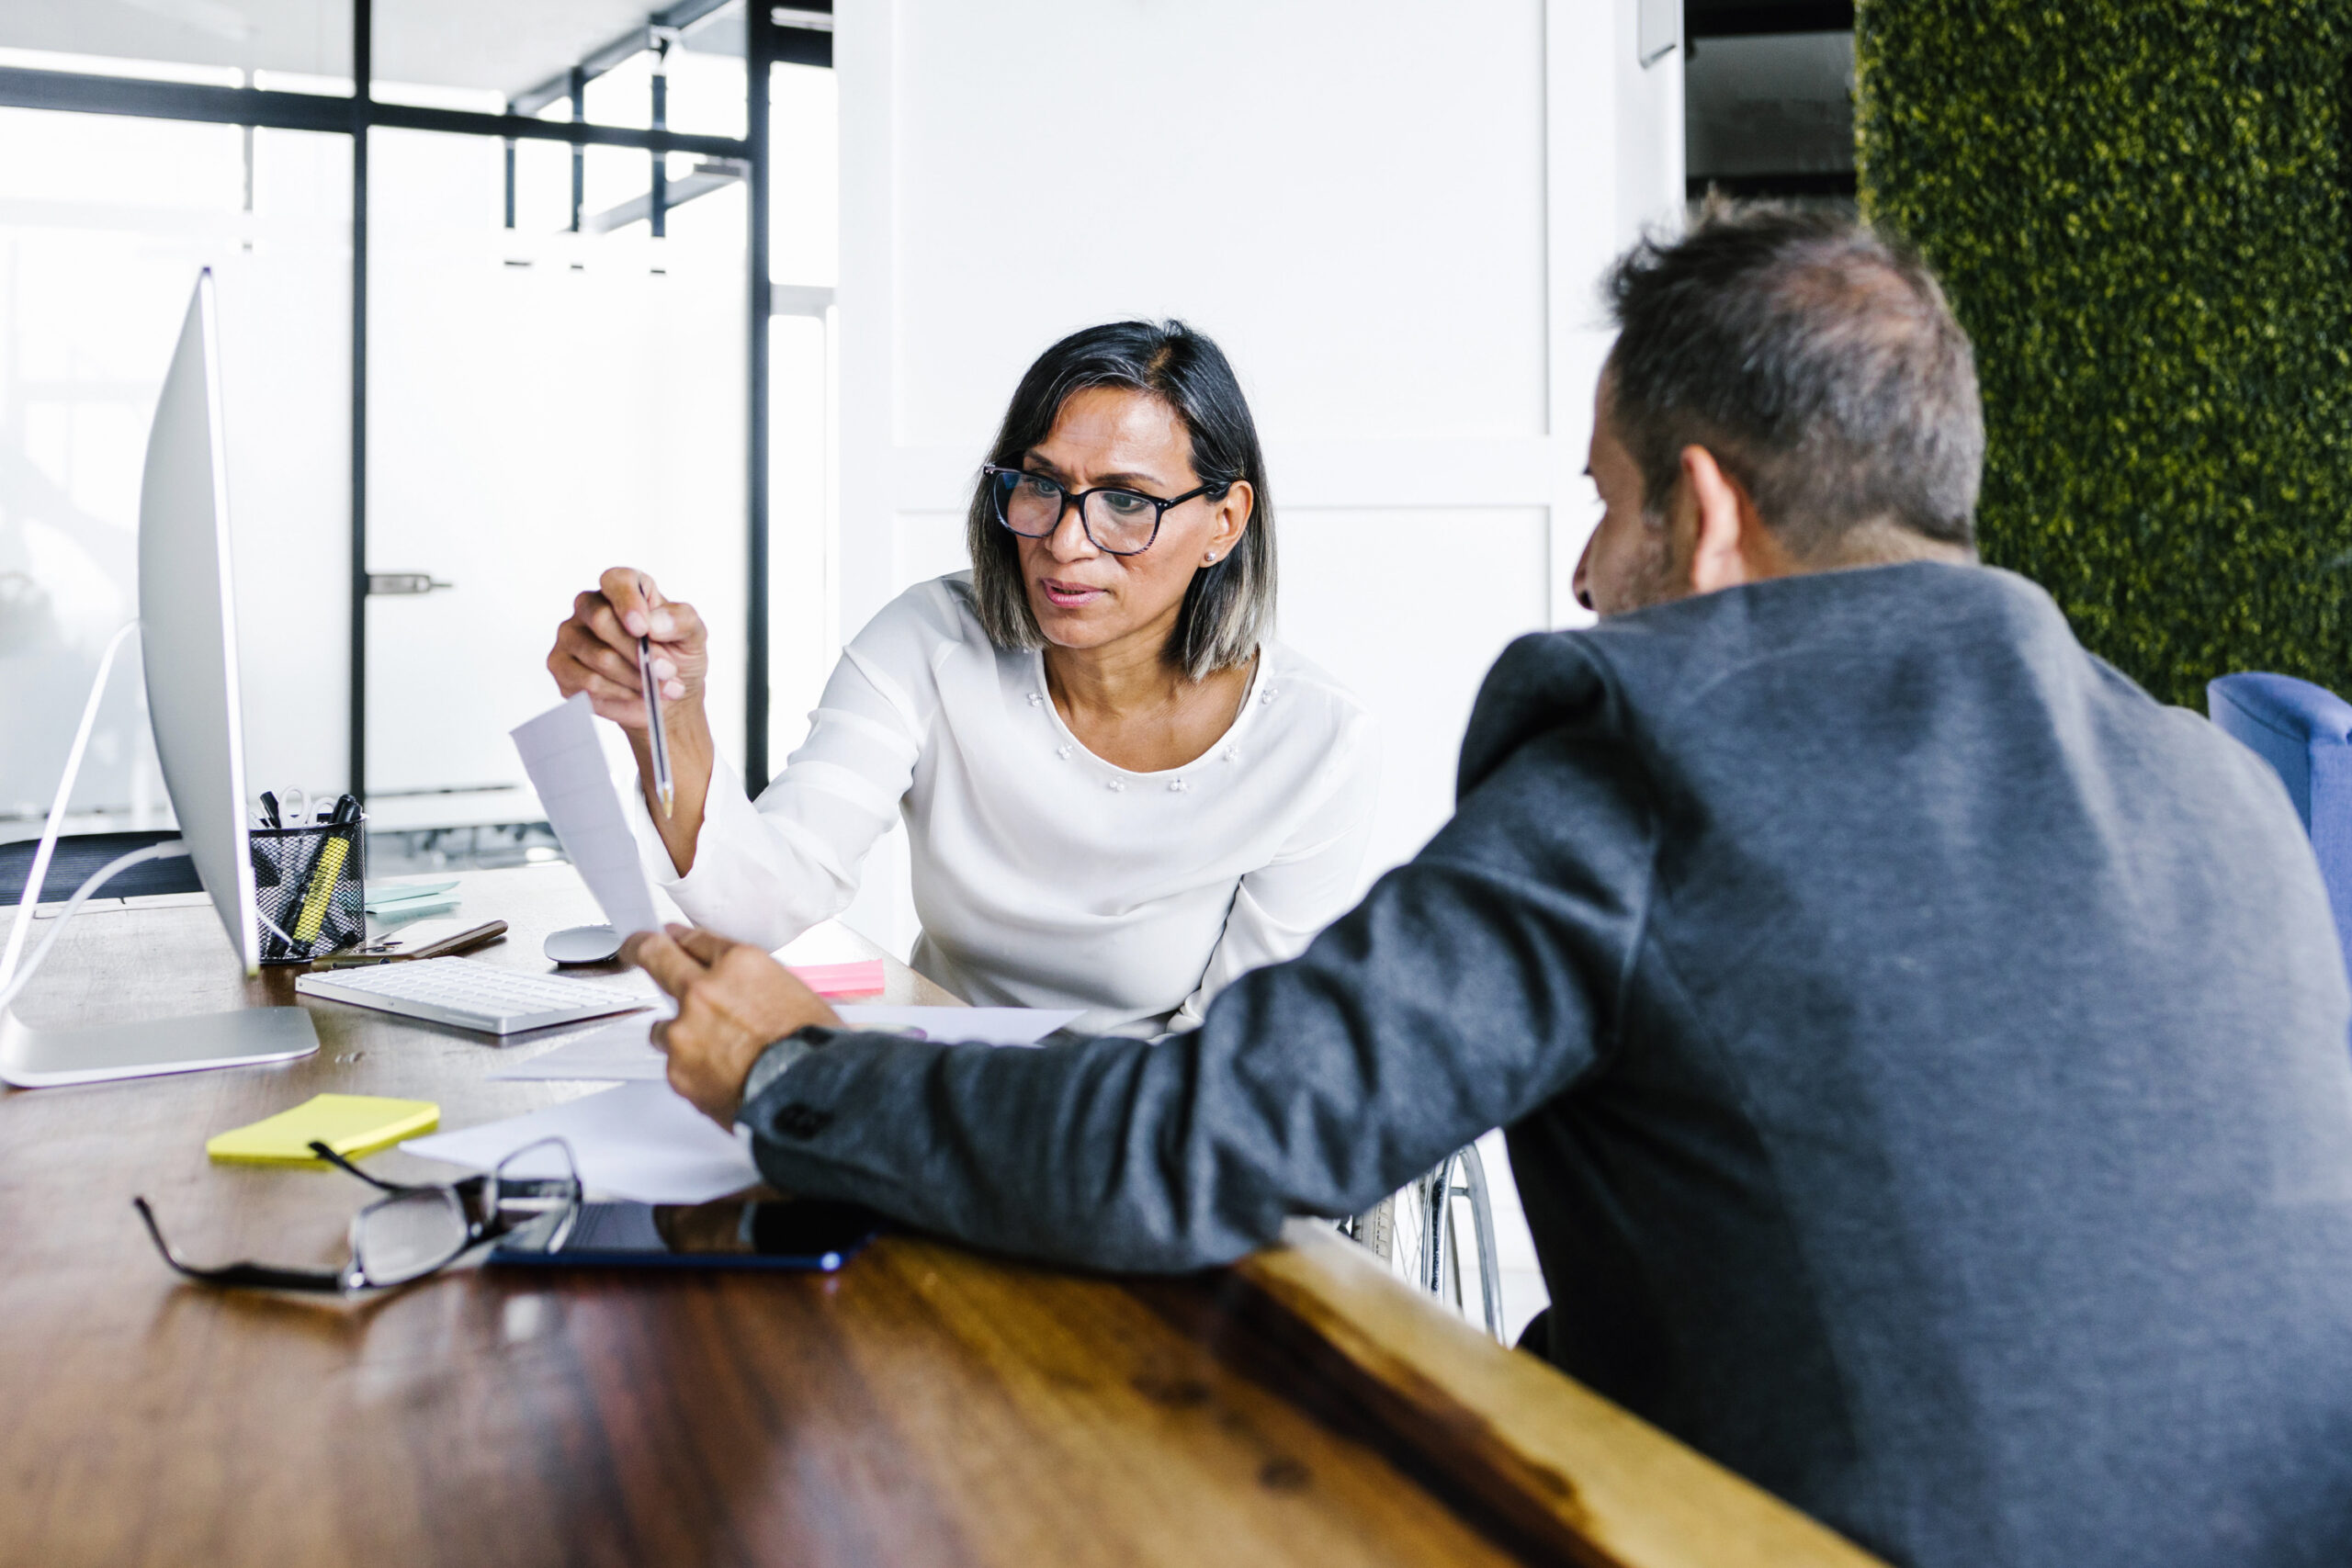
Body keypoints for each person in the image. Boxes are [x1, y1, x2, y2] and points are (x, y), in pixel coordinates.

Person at [623, 206, 2352, 1567]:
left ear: (1710, 511)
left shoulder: (1651, 771)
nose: (1586, 576)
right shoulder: (2226, 788)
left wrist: (791, 1070)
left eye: (1603, 506)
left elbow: (1203, 1142)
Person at [548, 321, 1377, 1035]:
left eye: (1127, 501)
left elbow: (1233, 1066)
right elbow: (761, 900)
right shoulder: (930, 640)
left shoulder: (1312, 740)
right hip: (938, 1101)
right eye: (1041, 486)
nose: (1065, 541)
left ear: (1224, 523)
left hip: (1140, 1142)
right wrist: (671, 716)